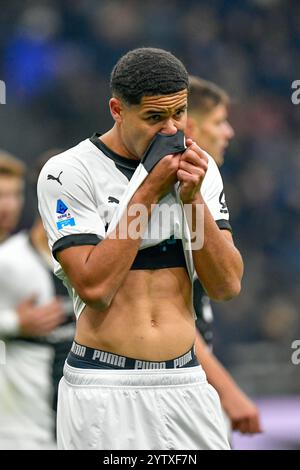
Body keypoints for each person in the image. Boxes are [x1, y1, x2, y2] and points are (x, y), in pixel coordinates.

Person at [37, 47, 243, 450]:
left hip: (186, 382)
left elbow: (227, 286)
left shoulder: (201, 170)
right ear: (117, 109)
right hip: (103, 387)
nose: (170, 130)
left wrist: (191, 199)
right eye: (153, 117)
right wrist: (149, 188)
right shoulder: (69, 172)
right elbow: (95, 289)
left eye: (179, 114)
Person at [186, 76, 262, 435]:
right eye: (218, 122)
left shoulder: (206, 187)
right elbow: (167, 311)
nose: (228, 132)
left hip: (192, 382)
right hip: (171, 387)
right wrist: (229, 393)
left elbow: (229, 283)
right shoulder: (155, 197)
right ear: (190, 127)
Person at [0, 151, 70, 449]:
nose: (9, 206)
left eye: (15, 195)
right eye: (1, 196)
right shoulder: (12, 261)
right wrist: (16, 323)